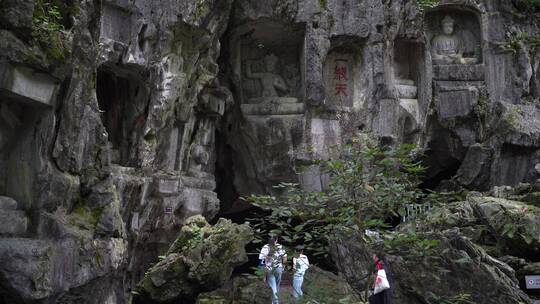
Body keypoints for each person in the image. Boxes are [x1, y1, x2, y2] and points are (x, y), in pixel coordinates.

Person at [259, 236, 287, 304]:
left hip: (270, 269)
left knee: (273, 287)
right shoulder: (280, 247)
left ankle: (275, 302)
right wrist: (283, 267)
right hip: (279, 268)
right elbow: (285, 258)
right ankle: (275, 302)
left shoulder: (265, 247)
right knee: (277, 286)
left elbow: (261, 261)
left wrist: (263, 273)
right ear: (276, 240)